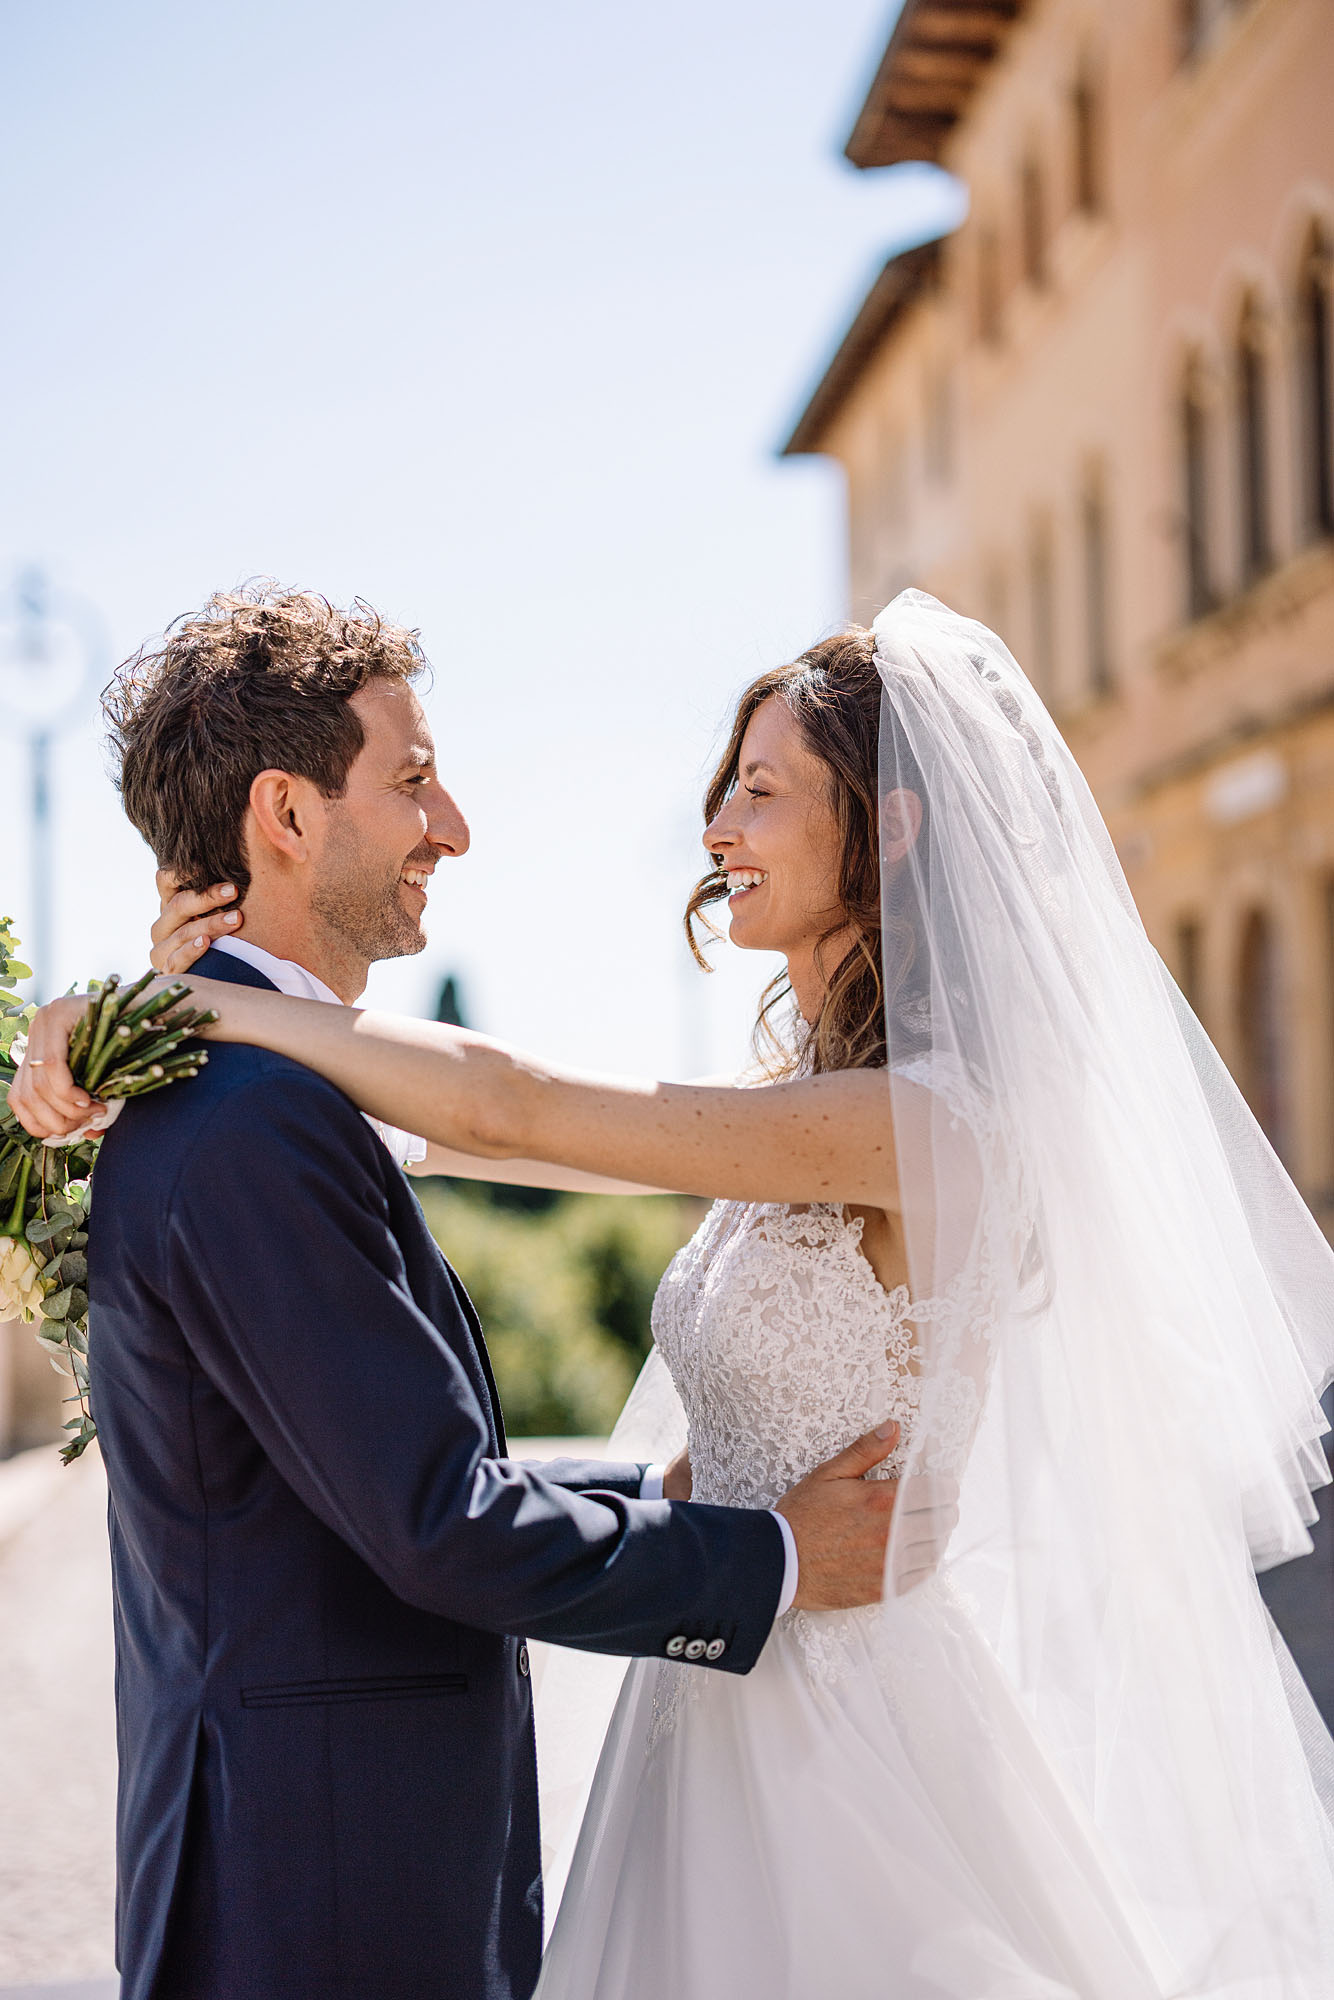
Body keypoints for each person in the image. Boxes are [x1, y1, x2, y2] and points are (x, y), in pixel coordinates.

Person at [20, 588, 1334, 1996]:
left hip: (855, 1720)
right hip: (711, 1706)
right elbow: (474, 1134)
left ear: (887, 827)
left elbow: (515, 1109)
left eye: (760, 791)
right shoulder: (780, 1114)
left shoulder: (928, 1124)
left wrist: (194, 1007)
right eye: (727, 787)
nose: (717, 827)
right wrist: (174, 1016)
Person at [6, 584, 905, 2000]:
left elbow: (386, 1448)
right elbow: (437, 1518)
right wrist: (774, 1557)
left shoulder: (240, 1095)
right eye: (413, 779)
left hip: (325, 1865)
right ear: (286, 814)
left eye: (762, 788)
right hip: (316, 1900)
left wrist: (672, 1503)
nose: (455, 827)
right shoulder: (247, 1120)